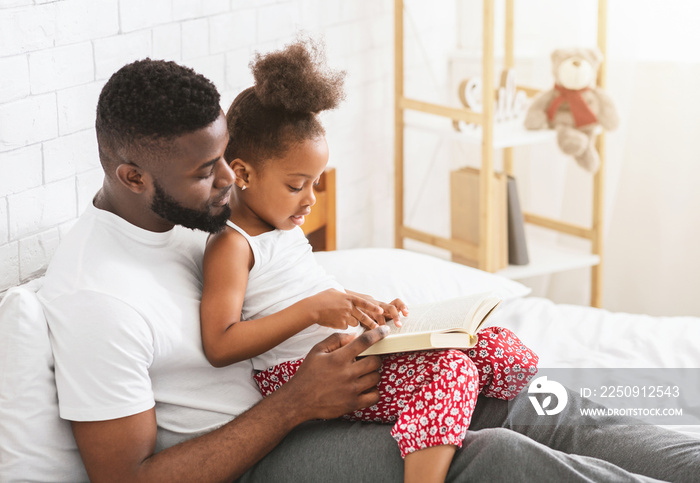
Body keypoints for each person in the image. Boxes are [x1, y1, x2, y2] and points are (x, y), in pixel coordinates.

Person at [36, 56, 700, 483]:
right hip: (268, 449)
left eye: (226, 159)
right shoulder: (98, 296)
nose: (227, 181)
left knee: (546, 401)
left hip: (328, 391)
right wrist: (295, 405)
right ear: (131, 174)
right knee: (497, 456)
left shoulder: (200, 218)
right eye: (207, 171)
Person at [199, 40, 538, 483]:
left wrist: (366, 309)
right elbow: (220, 344)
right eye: (297, 185)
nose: (311, 199)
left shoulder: (283, 226)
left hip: (349, 349)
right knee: (450, 370)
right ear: (242, 174)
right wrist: (315, 309)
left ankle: (438, 423)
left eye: (316, 183)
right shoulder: (232, 244)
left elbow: (309, 292)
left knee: (503, 351)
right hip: (299, 376)